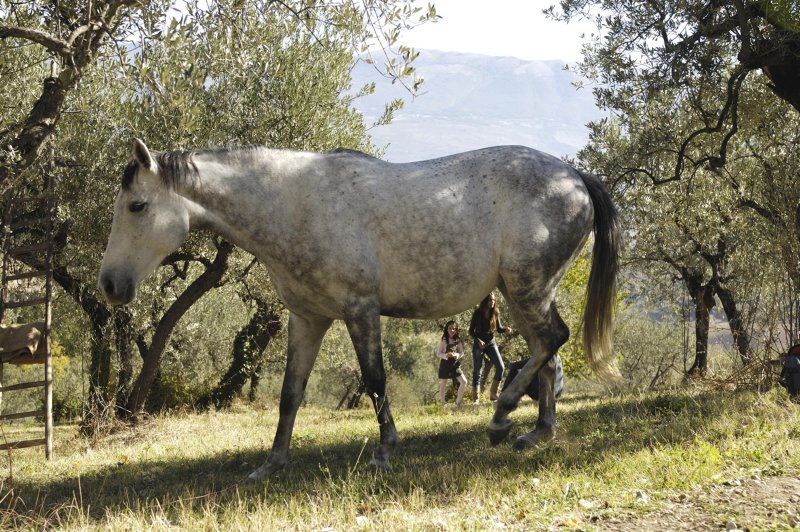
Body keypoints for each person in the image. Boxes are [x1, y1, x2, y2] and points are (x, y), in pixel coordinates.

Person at [469, 293, 513, 402]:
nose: (492, 302)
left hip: (491, 344)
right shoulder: (477, 313)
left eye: (493, 300)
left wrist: (506, 330)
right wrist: (478, 340)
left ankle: (493, 394)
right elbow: (470, 331)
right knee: (477, 370)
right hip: (479, 345)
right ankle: (476, 398)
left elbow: (499, 329)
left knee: (501, 367)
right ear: (485, 301)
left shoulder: (495, 312)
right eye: (489, 300)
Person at [437, 320, 467, 406]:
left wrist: (456, 355)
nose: (452, 330)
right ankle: (442, 403)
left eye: (454, 328)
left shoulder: (458, 340)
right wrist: (446, 355)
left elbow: (461, 352)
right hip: (445, 364)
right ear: (447, 329)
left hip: (455, 364)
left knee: (464, 382)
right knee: (443, 383)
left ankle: (458, 402)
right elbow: (438, 353)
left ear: (456, 330)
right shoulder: (444, 339)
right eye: (450, 328)